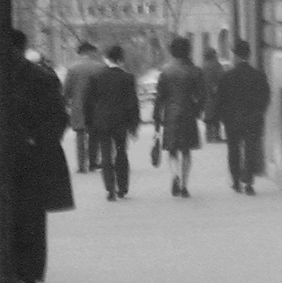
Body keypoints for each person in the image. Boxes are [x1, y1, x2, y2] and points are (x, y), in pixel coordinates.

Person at [10, 28, 74, 283]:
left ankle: (29, 275)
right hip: (23, 157)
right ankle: (26, 274)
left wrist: (35, 142)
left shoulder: (39, 78)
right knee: (29, 219)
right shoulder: (38, 77)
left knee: (30, 219)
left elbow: (58, 119)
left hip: (30, 159)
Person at [83, 45, 140, 201]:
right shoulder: (127, 78)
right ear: (121, 59)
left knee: (106, 154)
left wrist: (88, 123)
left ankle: (110, 189)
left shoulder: (96, 77)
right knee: (121, 153)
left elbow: (88, 102)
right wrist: (134, 124)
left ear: (106, 58)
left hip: (101, 121)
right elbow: (132, 102)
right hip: (121, 122)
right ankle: (122, 187)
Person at [215, 39, 270, 195]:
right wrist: (259, 112)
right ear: (249, 54)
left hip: (232, 119)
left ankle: (236, 180)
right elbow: (265, 96)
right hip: (253, 118)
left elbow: (220, 99)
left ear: (235, 55)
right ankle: (249, 182)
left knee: (234, 150)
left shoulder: (227, 77)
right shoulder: (258, 75)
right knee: (251, 148)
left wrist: (222, 118)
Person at [154, 36, 206, 198]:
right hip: (188, 113)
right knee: (186, 151)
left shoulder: (165, 71)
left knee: (172, 150)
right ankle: (184, 185)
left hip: (170, 114)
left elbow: (160, 97)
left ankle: (175, 174)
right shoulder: (195, 70)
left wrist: (157, 118)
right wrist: (197, 110)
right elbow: (202, 96)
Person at [62, 42, 105, 174]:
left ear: (79, 53)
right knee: (95, 135)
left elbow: (67, 89)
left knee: (80, 136)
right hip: (96, 106)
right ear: (91, 52)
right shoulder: (101, 68)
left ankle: (81, 165)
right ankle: (93, 162)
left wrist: (66, 102)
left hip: (78, 106)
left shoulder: (73, 69)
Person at [201, 47, 227, 143]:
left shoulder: (204, 66)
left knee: (209, 116)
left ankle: (209, 135)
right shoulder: (216, 65)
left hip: (207, 95)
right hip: (215, 95)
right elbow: (222, 78)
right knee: (216, 116)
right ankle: (216, 135)